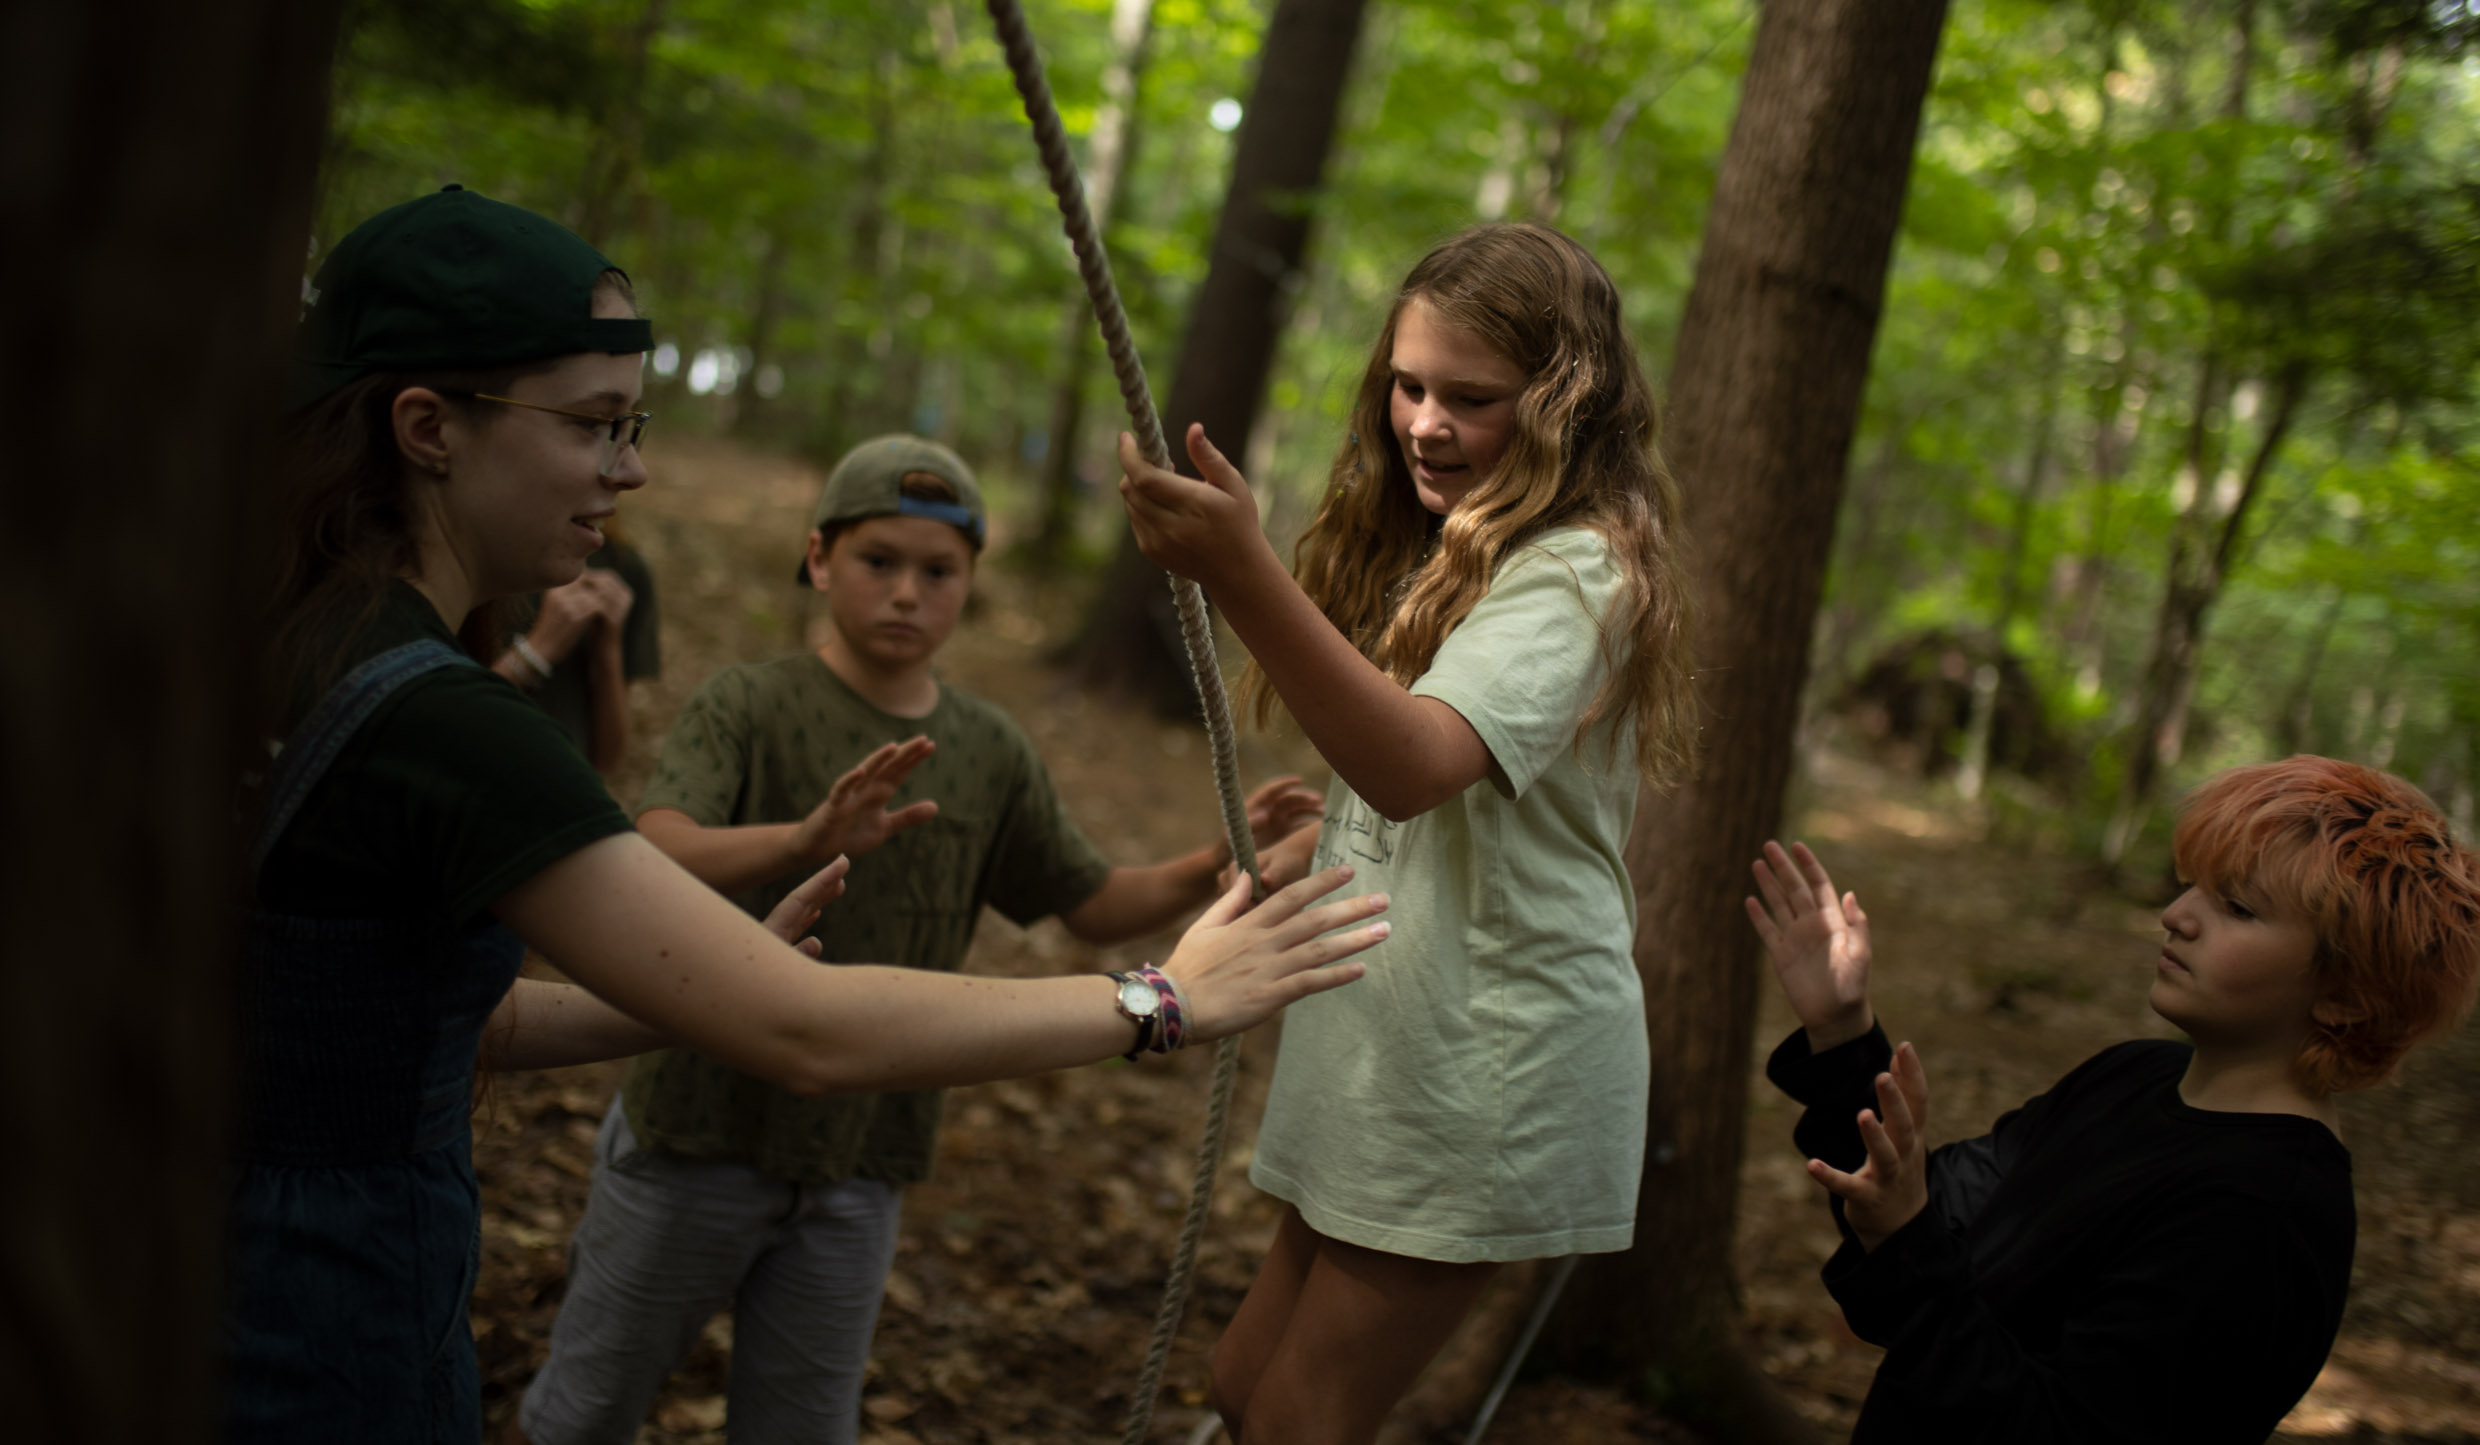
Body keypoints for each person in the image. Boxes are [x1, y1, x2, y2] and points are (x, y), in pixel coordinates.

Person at [232, 185, 1390, 1445]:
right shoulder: (439, 718)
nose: (633, 467)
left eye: (637, 423)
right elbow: (806, 1031)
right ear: (426, 426)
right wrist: (1161, 1001)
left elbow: (414, 1005)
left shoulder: (298, 633)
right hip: (312, 1304)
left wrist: (690, 984)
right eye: (594, 424)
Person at [508, 434, 1324, 1444]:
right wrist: (805, 837)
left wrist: (1214, 858)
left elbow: (1089, 901)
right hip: (695, 1135)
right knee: (586, 1407)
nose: (906, 593)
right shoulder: (749, 703)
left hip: (862, 1161)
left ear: (971, 583)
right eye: (876, 561)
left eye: (938, 571)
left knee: (804, 1424)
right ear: (817, 560)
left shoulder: (986, 748)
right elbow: (660, 847)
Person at [1113, 222, 1696, 1444]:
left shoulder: (1582, 569)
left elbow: (1417, 761)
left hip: (1489, 1064)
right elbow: (1423, 789)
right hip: (1391, 1044)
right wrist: (1311, 857)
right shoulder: (1455, 548)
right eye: (1408, 384)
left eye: (1469, 398)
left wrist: (1240, 571)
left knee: (1297, 1417)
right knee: (1242, 1381)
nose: (1423, 421)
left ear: (1562, 406)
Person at [1746, 756, 2480, 1443]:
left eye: (2238, 907)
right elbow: (1927, 1218)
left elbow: (2053, 1428)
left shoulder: (2263, 1216)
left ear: (2348, 997)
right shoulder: (2133, 1077)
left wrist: (1910, 1244)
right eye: (2193, 885)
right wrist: (1843, 1032)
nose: (2176, 914)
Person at [490, 522, 659, 772]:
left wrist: (607, 654)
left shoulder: (621, 565)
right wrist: (534, 652)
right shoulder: (485, 554)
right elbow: (439, 731)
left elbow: (605, 760)